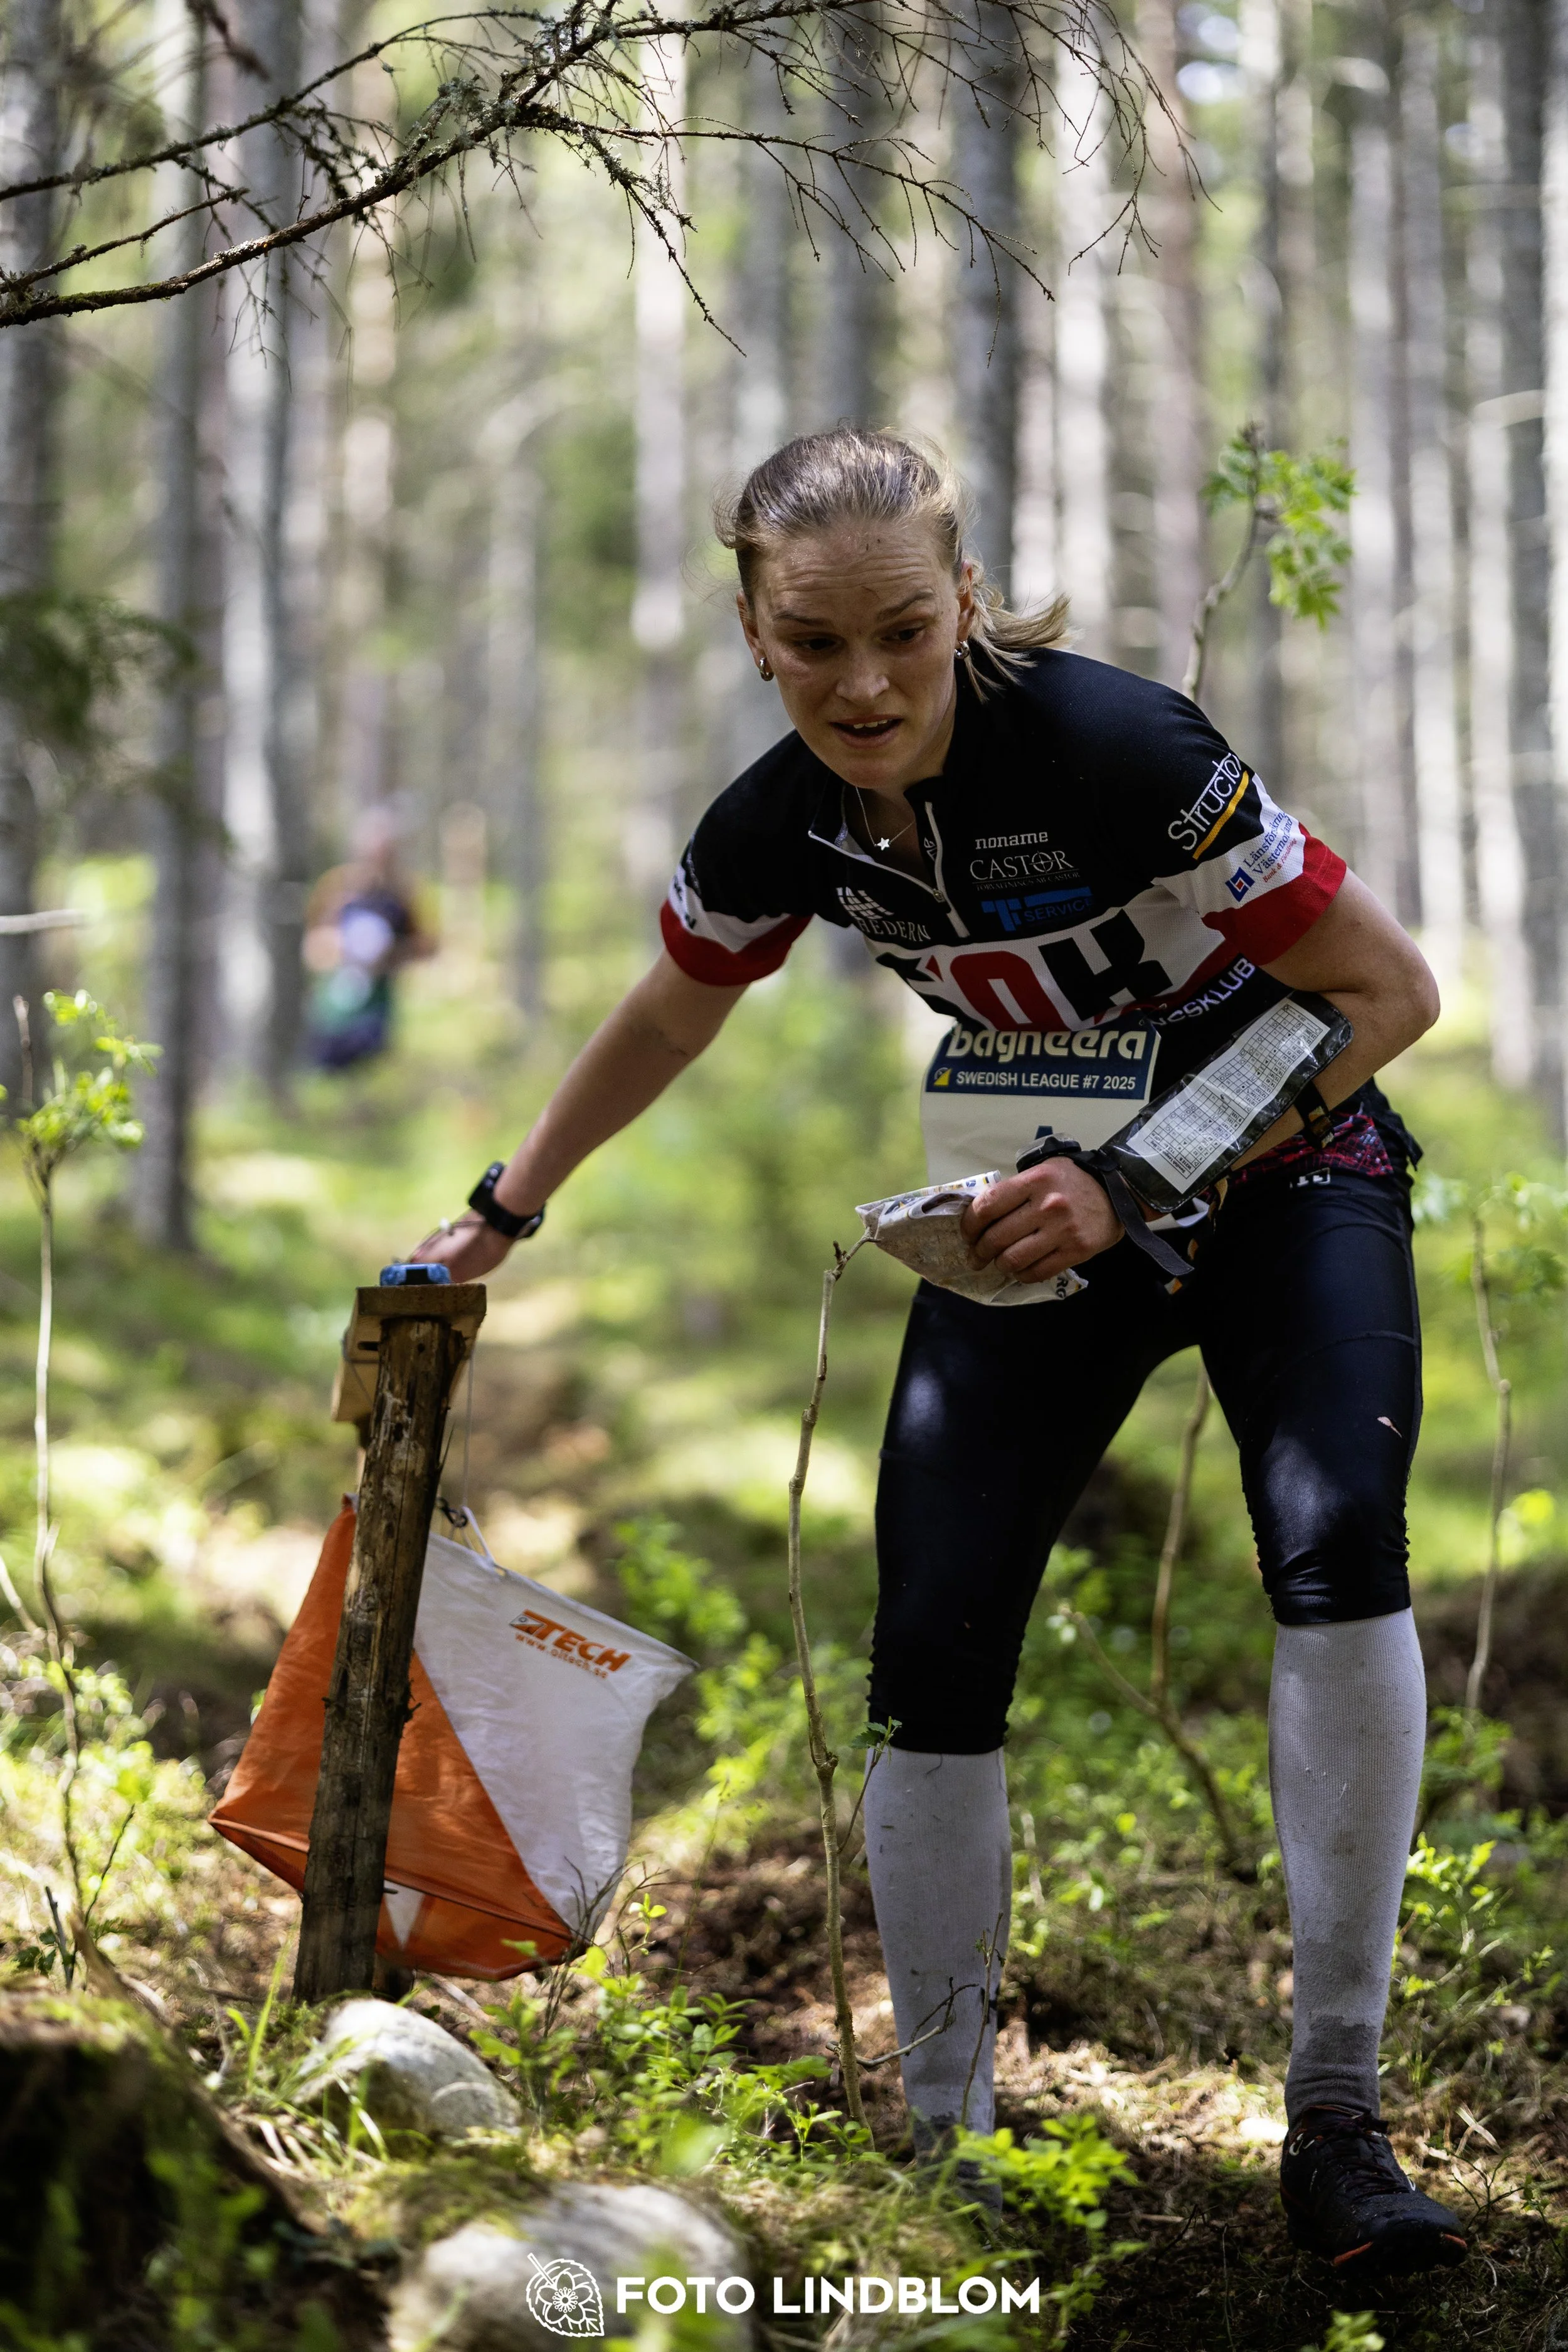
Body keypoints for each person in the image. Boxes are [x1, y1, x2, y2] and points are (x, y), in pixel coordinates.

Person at [415, 428, 1465, 2277]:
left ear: (965, 602)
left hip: (1286, 1172)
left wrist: (1140, 1173)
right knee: (931, 1633)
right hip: (1033, 1204)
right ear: (753, 630)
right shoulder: (778, 818)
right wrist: (504, 1208)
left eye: (904, 628)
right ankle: (948, 2147)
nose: (865, 682)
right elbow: (672, 1000)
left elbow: (1386, 993)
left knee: (1331, 1545)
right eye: (812, 642)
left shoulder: (1114, 748)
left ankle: (1337, 2119)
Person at [304, 805, 436, 1069]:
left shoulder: (404, 895)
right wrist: (338, 948)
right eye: (373, 850)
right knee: (321, 1067)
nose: (378, 858)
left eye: (386, 851)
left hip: (376, 1008)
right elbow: (312, 946)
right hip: (334, 1006)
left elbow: (426, 947)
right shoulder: (337, 888)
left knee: (370, 1065)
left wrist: (389, 955)